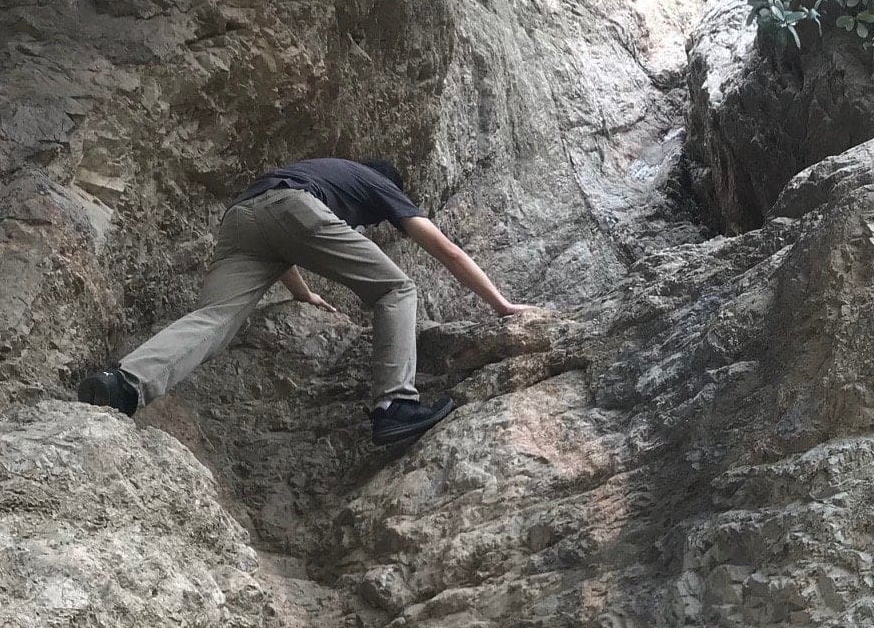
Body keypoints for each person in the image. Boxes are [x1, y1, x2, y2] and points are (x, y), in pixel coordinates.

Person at [77, 156, 534, 447]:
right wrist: (502, 306)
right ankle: (395, 405)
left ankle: (122, 383)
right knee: (396, 289)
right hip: (292, 208)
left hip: (242, 216)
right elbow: (445, 248)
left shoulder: (323, 173)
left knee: (215, 317)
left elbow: (279, 241)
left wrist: (304, 294)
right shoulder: (376, 182)